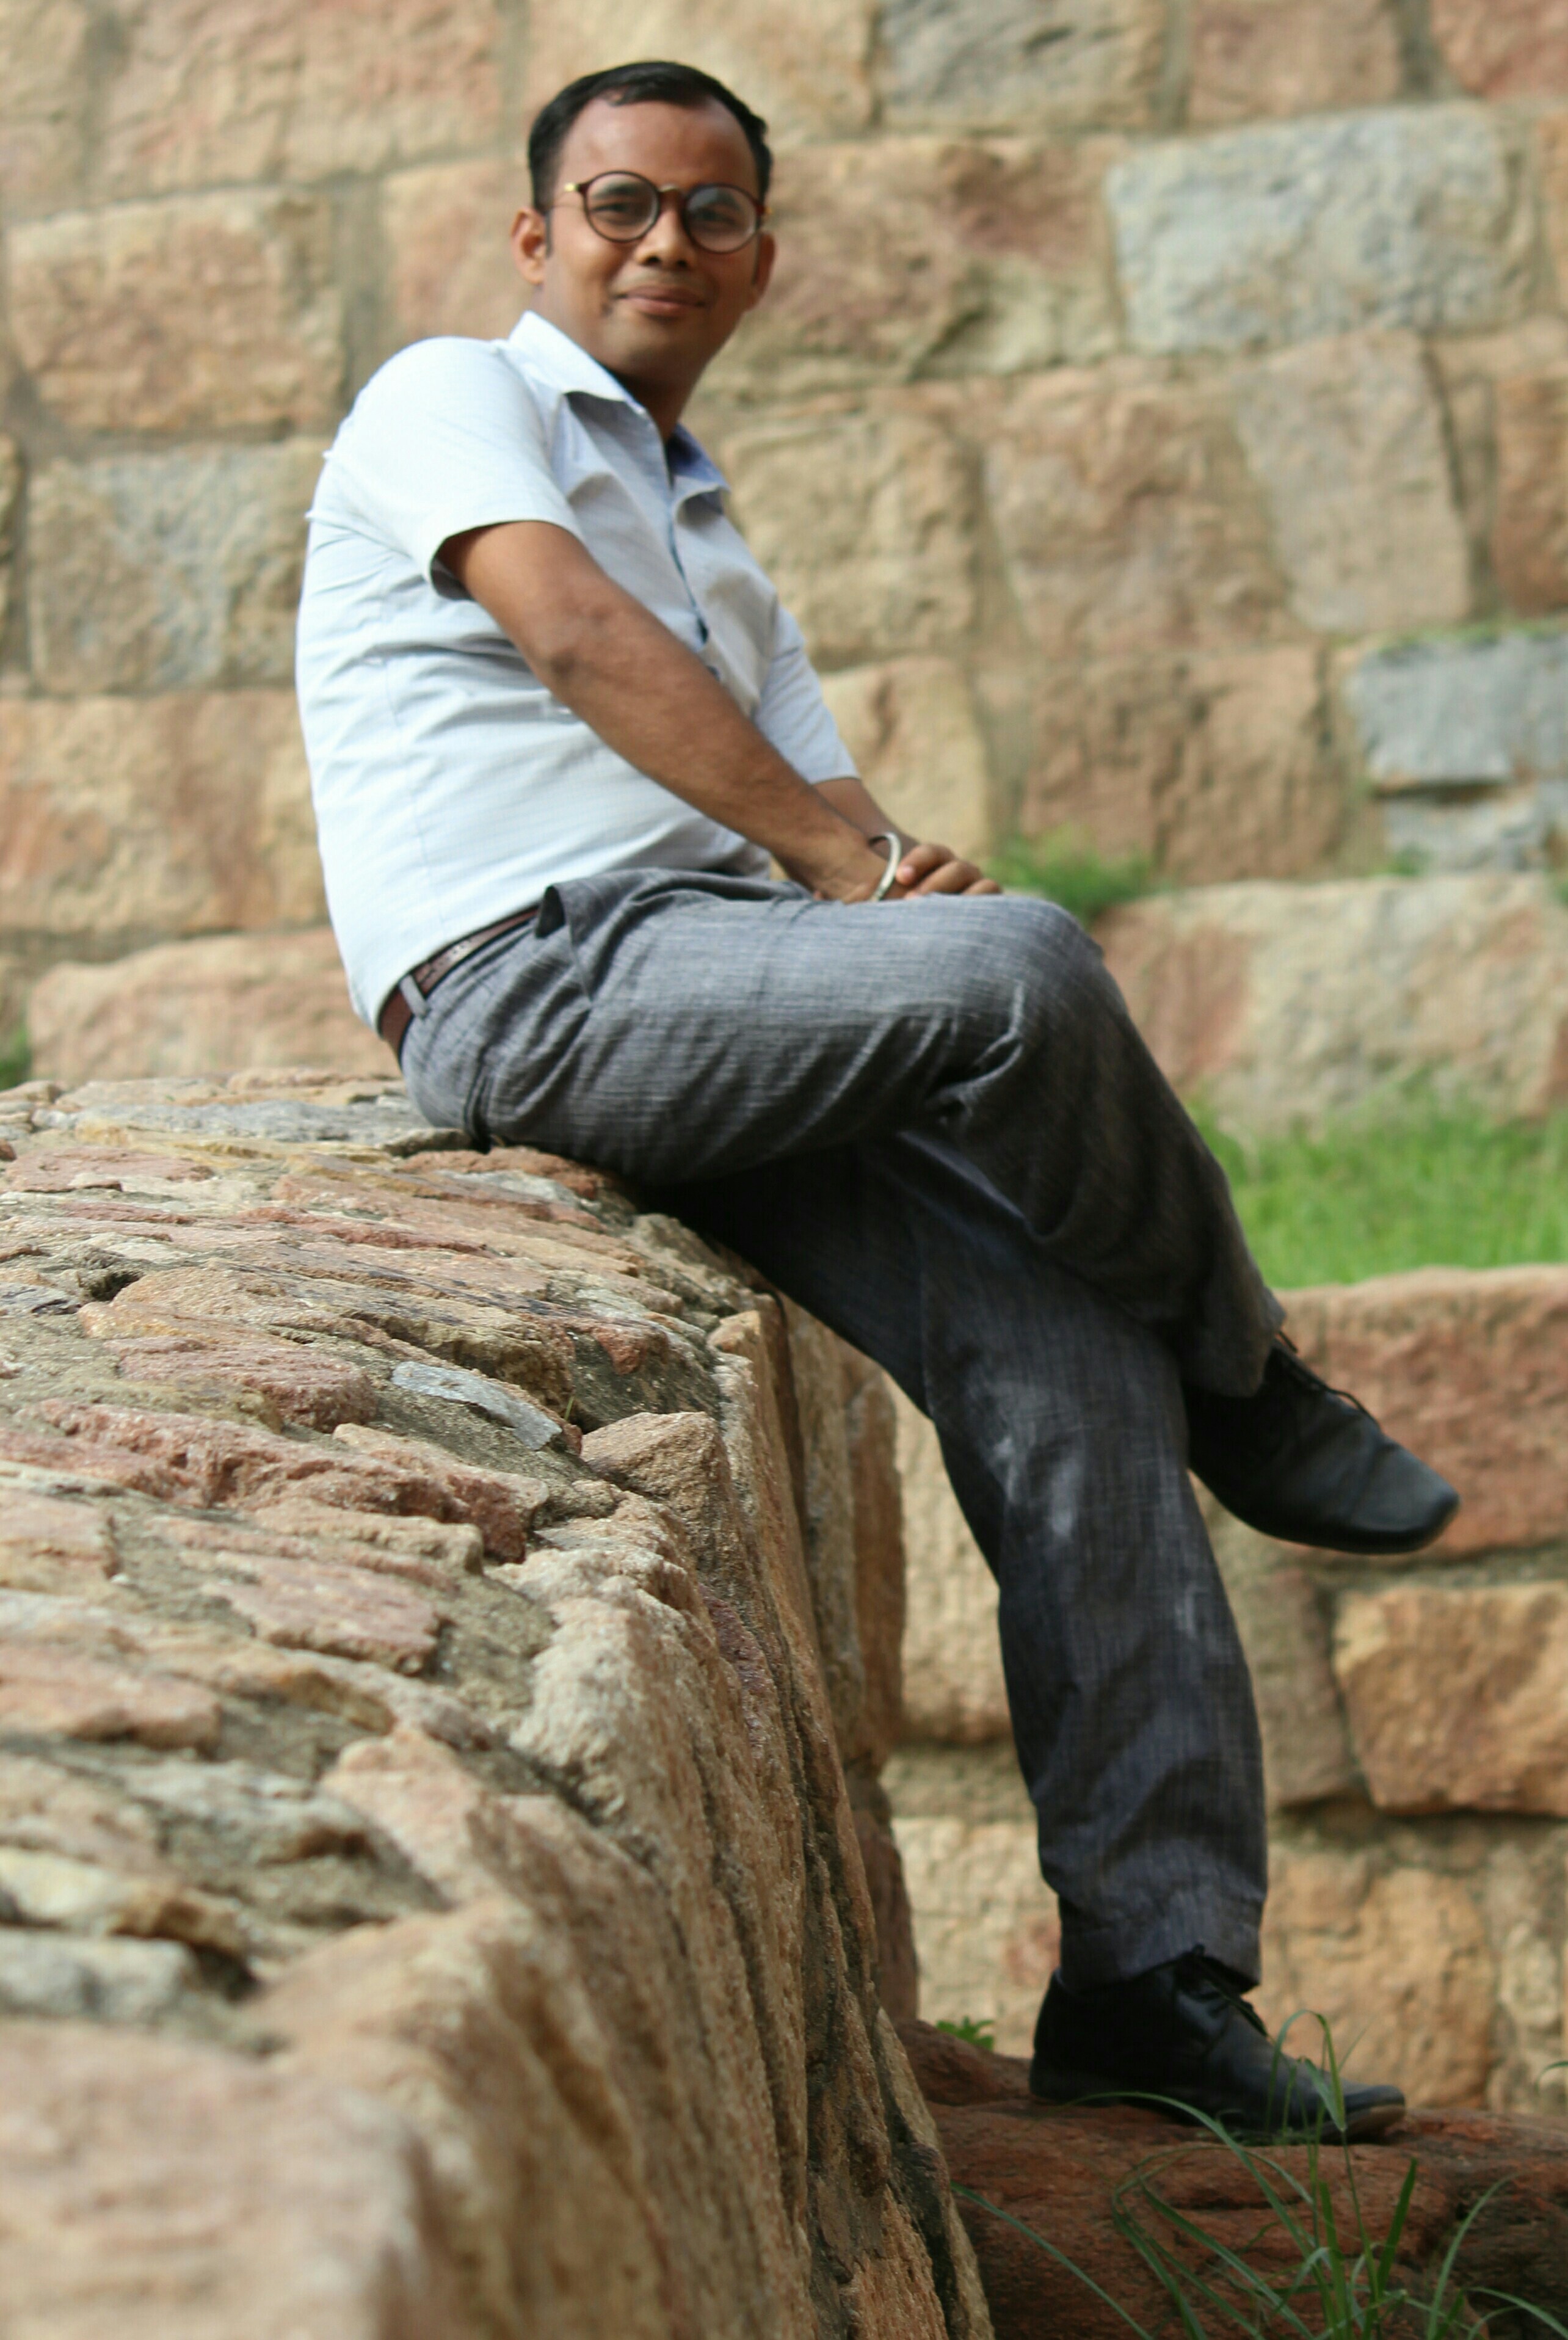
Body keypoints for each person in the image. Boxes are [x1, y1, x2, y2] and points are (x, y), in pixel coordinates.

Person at [296, 57, 1458, 2141]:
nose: (666, 240)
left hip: (728, 990)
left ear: (763, 257)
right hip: (530, 984)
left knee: (1074, 1353)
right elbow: (571, 636)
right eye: (621, 201)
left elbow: (834, 817)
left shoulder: (715, 532)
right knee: (1024, 971)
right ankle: (1258, 1381)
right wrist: (875, 883)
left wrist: (899, 872)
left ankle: (1153, 1982)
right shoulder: (448, 396)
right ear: (539, 236)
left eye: (713, 210)